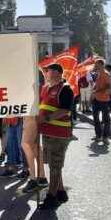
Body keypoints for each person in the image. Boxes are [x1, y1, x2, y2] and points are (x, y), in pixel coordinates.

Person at [36, 63, 74, 209]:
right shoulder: (45, 88)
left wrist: (45, 119)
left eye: (49, 71)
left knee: (55, 166)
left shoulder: (65, 89)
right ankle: (61, 191)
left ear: (58, 73)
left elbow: (65, 110)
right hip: (47, 133)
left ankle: (51, 197)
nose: (46, 73)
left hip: (59, 134)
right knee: (53, 164)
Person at [89, 59, 111, 144]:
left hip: (104, 99)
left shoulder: (106, 74)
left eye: (96, 64)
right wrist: (93, 91)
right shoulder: (98, 74)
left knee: (106, 119)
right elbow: (97, 85)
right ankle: (98, 136)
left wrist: (97, 91)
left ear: (101, 65)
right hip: (96, 99)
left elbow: (107, 86)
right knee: (96, 118)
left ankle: (105, 137)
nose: (95, 65)